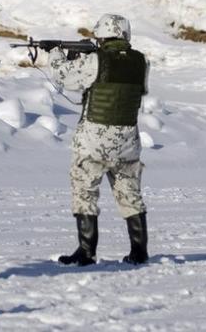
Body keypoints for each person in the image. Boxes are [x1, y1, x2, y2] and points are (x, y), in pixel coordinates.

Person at [50, 14, 150, 265]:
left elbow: (66, 78)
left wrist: (54, 55)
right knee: (130, 193)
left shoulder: (96, 59)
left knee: (85, 191)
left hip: (94, 140)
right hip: (127, 140)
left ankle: (86, 251)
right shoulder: (141, 61)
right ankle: (139, 251)